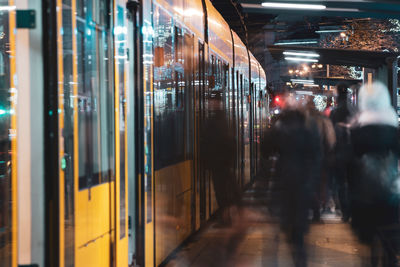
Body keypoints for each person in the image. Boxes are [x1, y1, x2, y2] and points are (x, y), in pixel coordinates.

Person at [261, 95, 322, 267]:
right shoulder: (308, 130)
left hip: (283, 182)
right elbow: (317, 156)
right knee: (299, 234)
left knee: (279, 229)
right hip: (303, 185)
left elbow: (265, 149)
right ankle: (300, 260)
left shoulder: (279, 128)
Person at [350, 81, 399, 266]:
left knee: (369, 246)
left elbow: (350, 164)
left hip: (365, 195)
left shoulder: (358, 129)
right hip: (391, 193)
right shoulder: (393, 129)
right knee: (389, 240)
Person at [330, 82, 355, 222]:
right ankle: (351, 210)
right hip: (354, 153)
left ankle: (345, 212)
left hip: (340, 153)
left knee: (340, 183)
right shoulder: (355, 109)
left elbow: (331, 134)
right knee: (352, 183)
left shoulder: (336, 111)